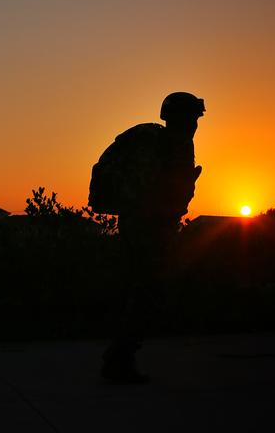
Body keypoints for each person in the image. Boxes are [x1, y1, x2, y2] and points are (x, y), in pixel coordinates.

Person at [90, 92, 204, 383]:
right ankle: (119, 359)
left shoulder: (174, 145)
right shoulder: (159, 145)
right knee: (146, 291)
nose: (194, 124)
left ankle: (120, 355)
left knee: (144, 291)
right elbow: (146, 191)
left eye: (196, 119)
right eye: (191, 118)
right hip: (146, 227)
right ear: (176, 117)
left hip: (151, 226)